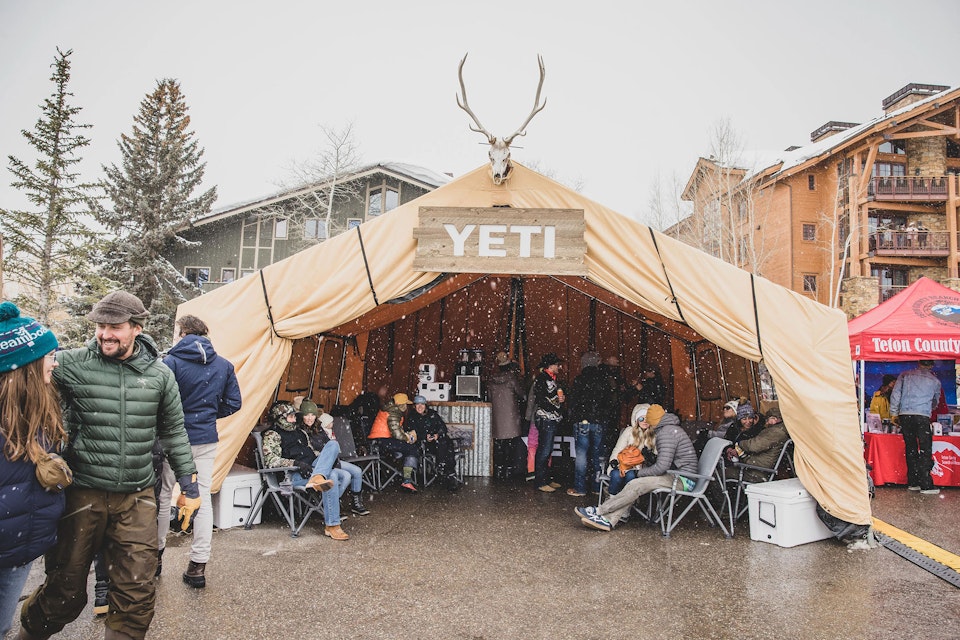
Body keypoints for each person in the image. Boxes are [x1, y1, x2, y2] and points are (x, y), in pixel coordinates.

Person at [19, 291, 199, 640]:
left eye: (114, 327)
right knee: (64, 592)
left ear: (136, 328)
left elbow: (174, 432)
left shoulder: (161, 376)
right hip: (81, 493)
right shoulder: (71, 364)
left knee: (136, 594)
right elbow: (28, 394)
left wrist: (190, 487)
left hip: (137, 497)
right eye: (100, 326)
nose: (105, 334)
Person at [156, 314, 242, 589]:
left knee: (164, 496)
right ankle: (197, 567)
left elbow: (158, 401)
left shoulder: (170, 363)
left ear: (182, 332)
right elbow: (234, 403)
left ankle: (155, 559)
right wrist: (206, 414)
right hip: (206, 438)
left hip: (174, 438)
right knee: (202, 495)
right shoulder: (224, 365)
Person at [0, 303, 63, 638]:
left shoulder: (41, 411)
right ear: (24, 367)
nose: (55, 362)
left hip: (18, 552)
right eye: (49, 356)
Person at [575, 404, 698, 531]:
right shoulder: (669, 429)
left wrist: (638, 473)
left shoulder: (666, 433)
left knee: (636, 485)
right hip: (678, 475)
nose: (646, 422)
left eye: (648, 419)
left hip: (682, 479)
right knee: (633, 484)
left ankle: (601, 512)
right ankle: (607, 518)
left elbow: (661, 467)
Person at [261, 401, 350, 539]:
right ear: (280, 418)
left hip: (311, 468)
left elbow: (312, 452)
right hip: (292, 474)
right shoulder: (272, 435)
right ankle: (332, 526)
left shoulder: (300, 432)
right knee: (331, 476)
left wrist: (326, 459)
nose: (295, 419)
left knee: (332, 444)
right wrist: (295, 463)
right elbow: (271, 461)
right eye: (291, 416)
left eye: (294, 416)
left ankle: (318, 476)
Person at [300, 401, 369, 516]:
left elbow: (328, 444)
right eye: (306, 415)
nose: (310, 418)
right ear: (301, 416)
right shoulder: (302, 431)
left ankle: (356, 504)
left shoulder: (318, 427)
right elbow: (311, 451)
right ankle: (331, 504)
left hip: (331, 459)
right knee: (346, 476)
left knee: (357, 471)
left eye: (312, 415)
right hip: (319, 462)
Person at [890, 360, 943, 494]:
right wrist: (927, 408)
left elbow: (896, 394)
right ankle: (925, 484)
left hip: (905, 415)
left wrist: (894, 413)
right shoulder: (935, 381)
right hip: (922, 415)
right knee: (925, 448)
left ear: (919, 363)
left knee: (911, 448)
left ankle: (913, 482)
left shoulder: (905, 375)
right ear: (931, 365)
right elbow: (935, 401)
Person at [567, 351, 616, 497]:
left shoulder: (579, 380)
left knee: (581, 456)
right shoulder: (604, 380)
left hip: (582, 421)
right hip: (599, 421)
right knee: (598, 456)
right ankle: (597, 487)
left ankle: (580, 488)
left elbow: (573, 401)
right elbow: (610, 402)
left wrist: (575, 416)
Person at [368, 392, 421, 492]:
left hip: (379, 440)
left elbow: (396, 431)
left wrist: (405, 435)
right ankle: (406, 480)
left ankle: (404, 477)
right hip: (382, 441)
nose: (406, 407)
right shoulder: (393, 413)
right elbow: (397, 434)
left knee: (406, 449)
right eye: (405, 404)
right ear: (401, 405)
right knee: (412, 448)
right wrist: (408, 438)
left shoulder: (389, 410)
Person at [407, 396, 461, 491]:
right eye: (417, 404)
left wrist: (437, 434)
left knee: (446, 443)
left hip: (438, 441)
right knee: (444, 446)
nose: (420, 407)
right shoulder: (412, 417)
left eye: (422, 404)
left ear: (425, 405)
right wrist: (424, 437)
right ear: (414, 406)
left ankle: (445, 469)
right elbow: (411, 433)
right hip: (424, 444)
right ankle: (447, 472)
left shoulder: (432, 414)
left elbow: (442, 427)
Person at [725, 407, 791, 483]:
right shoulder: (778, 430)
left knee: (720, 474)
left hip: (757, 470)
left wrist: (739, 444)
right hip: (755, 466)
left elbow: (754, 446)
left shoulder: (775, 432)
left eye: (750, 418)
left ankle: (724, 494)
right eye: (744, 419)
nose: (747, 421)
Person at [487, 352, 526, 480]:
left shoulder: (491, 380)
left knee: (499, 444)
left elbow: (489, 397)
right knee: (511, 443)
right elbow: (521, 394)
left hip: (497, 417)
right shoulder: (512, 378)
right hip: (511, 417)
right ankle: (509, 470)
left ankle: (498, 469)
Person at [532, 353, 565, 493]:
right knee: (544, 450)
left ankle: (546, 479)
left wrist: (560, 400)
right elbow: (541, 399)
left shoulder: (551, 379)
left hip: (551, 418)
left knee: (548, 450)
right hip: (546, 418)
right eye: (558, 364)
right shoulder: (541, 379)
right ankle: (540, 481)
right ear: (551, 366)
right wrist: (556, 403)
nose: (560, 367)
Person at [605, 403, 652, 496]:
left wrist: (649, 456)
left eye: (647, 418)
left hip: (639, 468)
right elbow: (618, 448)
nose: (644, 421)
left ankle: (626, 504)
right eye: (641, 418)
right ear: (637, 420)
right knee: (616, 475)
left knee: (631, 476)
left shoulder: (653, 435)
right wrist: (613, 460)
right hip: (623, 464)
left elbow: (657, 454)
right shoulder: (629, 431)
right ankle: (612, 501)